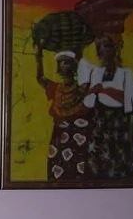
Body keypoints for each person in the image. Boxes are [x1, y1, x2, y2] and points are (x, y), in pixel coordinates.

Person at [82, 33, 133, 180]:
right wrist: (89, 91)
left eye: (106, 47)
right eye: (99, 48)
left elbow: (131, 101)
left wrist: (103, 90)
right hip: (102, 126)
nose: (102, 52)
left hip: (120, 125)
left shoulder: (126, 74)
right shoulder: (96, 73)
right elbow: (89, 103)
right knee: (98, 168)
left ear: (114, 50)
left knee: (121, 167)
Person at [35, 47, 92, 182]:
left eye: (67, 62)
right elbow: (40, 78)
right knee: (57, 168)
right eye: (61, 63)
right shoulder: (56, 88)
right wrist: (38, 57)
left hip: (78, 134)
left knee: (79, 168)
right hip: (59, 136)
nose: (63, 66)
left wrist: (80, 57)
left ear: (74, 66)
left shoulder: (82, 88)